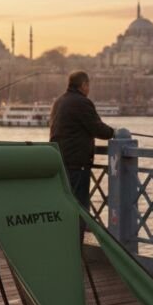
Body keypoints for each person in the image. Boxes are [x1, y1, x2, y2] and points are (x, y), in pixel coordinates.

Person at [49, 71, 115, 233]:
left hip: (59, 160)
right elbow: (98, 128)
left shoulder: (59, 101)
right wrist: (114, 133)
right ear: (84, 85)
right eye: (88, 85)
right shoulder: (81, 102)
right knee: (79, 206)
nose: (89, 89)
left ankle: (63, 242)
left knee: (65, 204)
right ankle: (75, 247)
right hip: (76, 163)